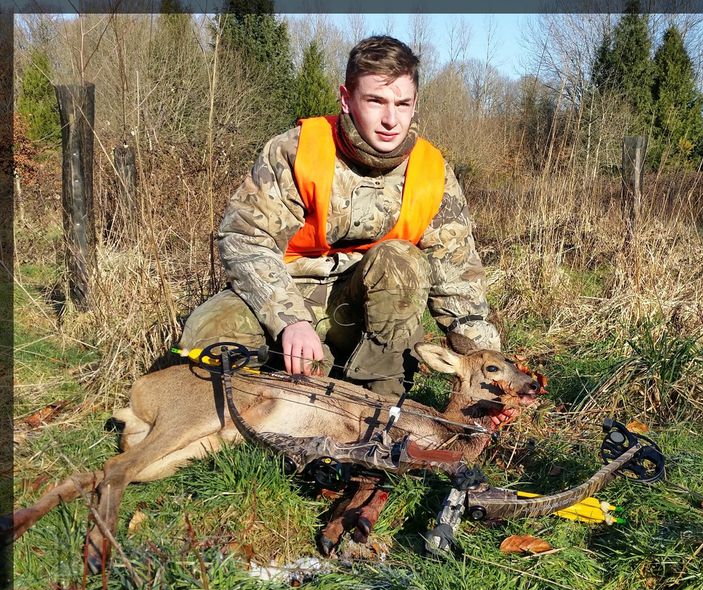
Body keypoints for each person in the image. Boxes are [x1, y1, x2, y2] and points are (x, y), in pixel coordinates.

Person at [178, 35, 501, 399]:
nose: (391, 119)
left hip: (368, 309)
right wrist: (290, 321)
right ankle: (285, 384)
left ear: (415, 104)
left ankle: (381, 398)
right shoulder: (296, 149)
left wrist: (488, 364)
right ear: (347, 99)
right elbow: (245, 238)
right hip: (291, 293)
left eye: (402, 103)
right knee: (207, 339)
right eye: (375, 101)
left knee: (401, 259)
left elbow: (458, 278)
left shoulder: (432, 170)